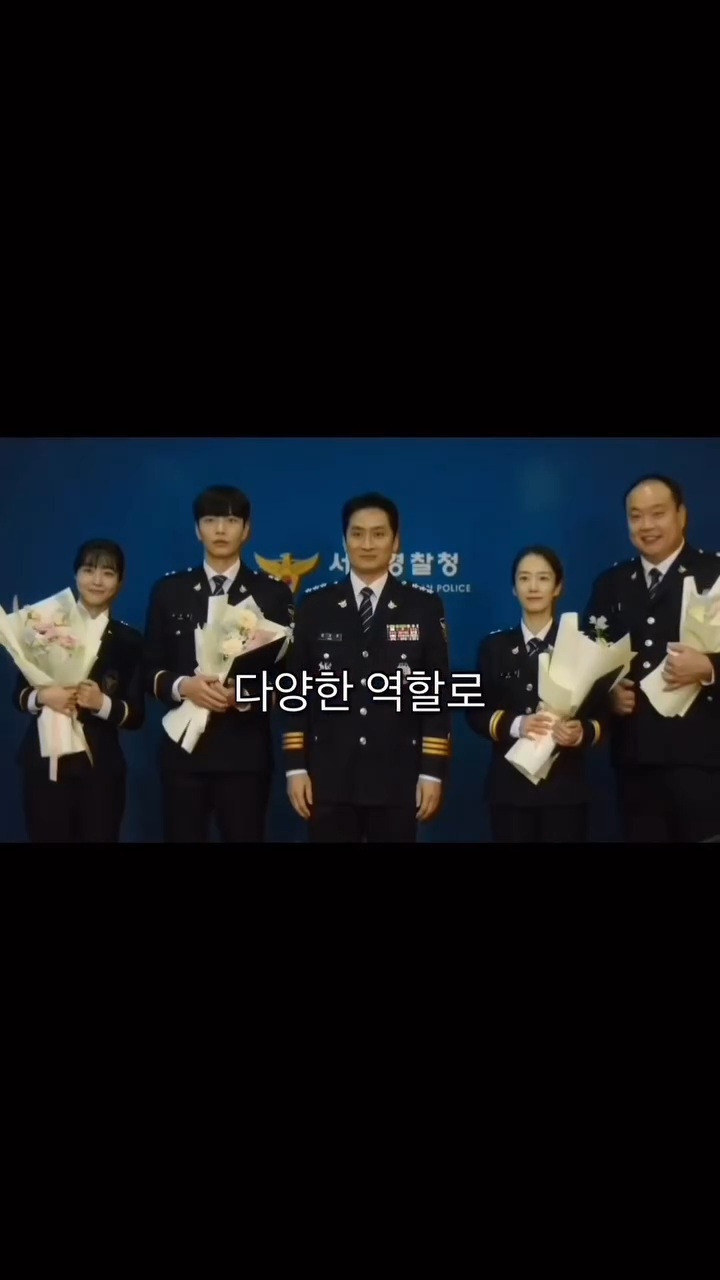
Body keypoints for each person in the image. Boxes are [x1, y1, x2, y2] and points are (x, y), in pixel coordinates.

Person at [283, 492, 451, 843]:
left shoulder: (423, 606)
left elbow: (436, 695)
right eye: (357, 534)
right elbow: (295, 691)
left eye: (378, 534)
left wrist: (432, 772)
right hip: (329, 777)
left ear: (396, 541)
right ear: (344, 539)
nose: (368, 544)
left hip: (397, 775)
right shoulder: (315, 606)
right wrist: (296, 766)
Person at [144, 484, 294, 843]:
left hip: (244, 755)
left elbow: (289, 679)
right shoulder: (170, 591)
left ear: (247, 529)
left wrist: (241, 695)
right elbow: (148, 669)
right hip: (182, 754)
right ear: (198, 530)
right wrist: (184, 687)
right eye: (210, 520)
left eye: (231, 520)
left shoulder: (272, 593)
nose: (221, 530)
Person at [583, 474, 720, 843]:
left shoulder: (714, 574)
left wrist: (710, 668)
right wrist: (608, 694)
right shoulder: (610, 584)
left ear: (681, 515)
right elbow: (586, 661)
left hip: (704, 759)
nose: (646, 525)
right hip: (636, 759)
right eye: (636, 516)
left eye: (657, 513)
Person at [467, 546, 606, 843]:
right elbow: (475, 713)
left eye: (543, 578)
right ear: (513, 588)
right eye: (524, 578)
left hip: (565, 791)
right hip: (510, 790)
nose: (533, 587)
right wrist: (517, 724)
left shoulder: (583, 646)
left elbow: (604, 717)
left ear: (557, 587)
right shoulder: (493, 647)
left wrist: (581, 732)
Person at [14, 538, 144, 843]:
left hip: (101, 771)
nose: (97, 581)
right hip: (45, 763)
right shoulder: (45, 626)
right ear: (75, 575)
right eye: (88, 570)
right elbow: (18, 696)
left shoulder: (129, 640)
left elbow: (136, 715)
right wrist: (43, 697)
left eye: (108, 573)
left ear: (120, 581)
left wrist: (101, 703)